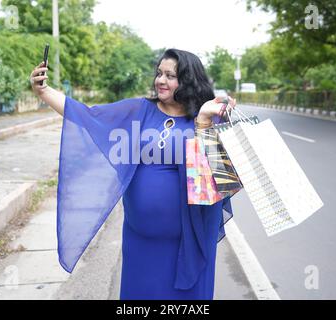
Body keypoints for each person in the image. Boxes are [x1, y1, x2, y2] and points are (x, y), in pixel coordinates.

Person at [29, 48, 236, 300]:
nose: (160, 80)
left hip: (185, 247)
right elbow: (88, 116)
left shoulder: (204, 121)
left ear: (188, 80)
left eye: (170, 75)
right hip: (140, 244)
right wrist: (44, 91)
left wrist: (204, 121)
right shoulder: (139, 111)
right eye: (159, 73)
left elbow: (217, 182)